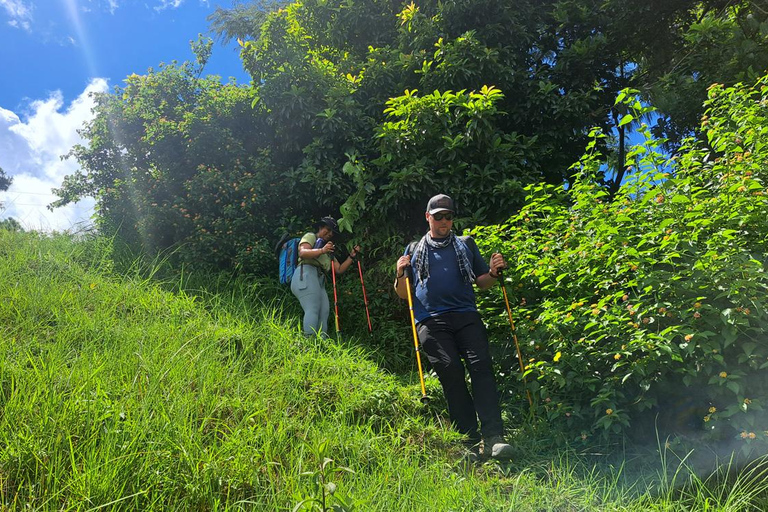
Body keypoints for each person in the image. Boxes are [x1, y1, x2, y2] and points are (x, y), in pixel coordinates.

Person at [394, 194, 513, 461]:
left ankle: (494, 436)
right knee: (450, 370)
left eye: (448, 216)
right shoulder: (414, 249)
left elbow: (482, 281)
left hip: (466, 314)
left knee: (481, 366)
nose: (444, 221)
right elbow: (404, 294)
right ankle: (467, 440)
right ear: (428, 217)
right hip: (430, 320)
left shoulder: (466, 244)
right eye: (438, 216)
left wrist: (494, 273)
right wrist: (400, 272)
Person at [291, 216, 361, 337]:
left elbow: (338, 269)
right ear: (320, 227)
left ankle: (321, 344)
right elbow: (303, 252)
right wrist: (322, 250)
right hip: (306, 273)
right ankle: (309, 342)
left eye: (331, 232)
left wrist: (351, 257)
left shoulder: (328, 249)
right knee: (312, 308)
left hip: (319, 280)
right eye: (327, 230)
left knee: (324, 312)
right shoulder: (311, 237)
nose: (329, 234)